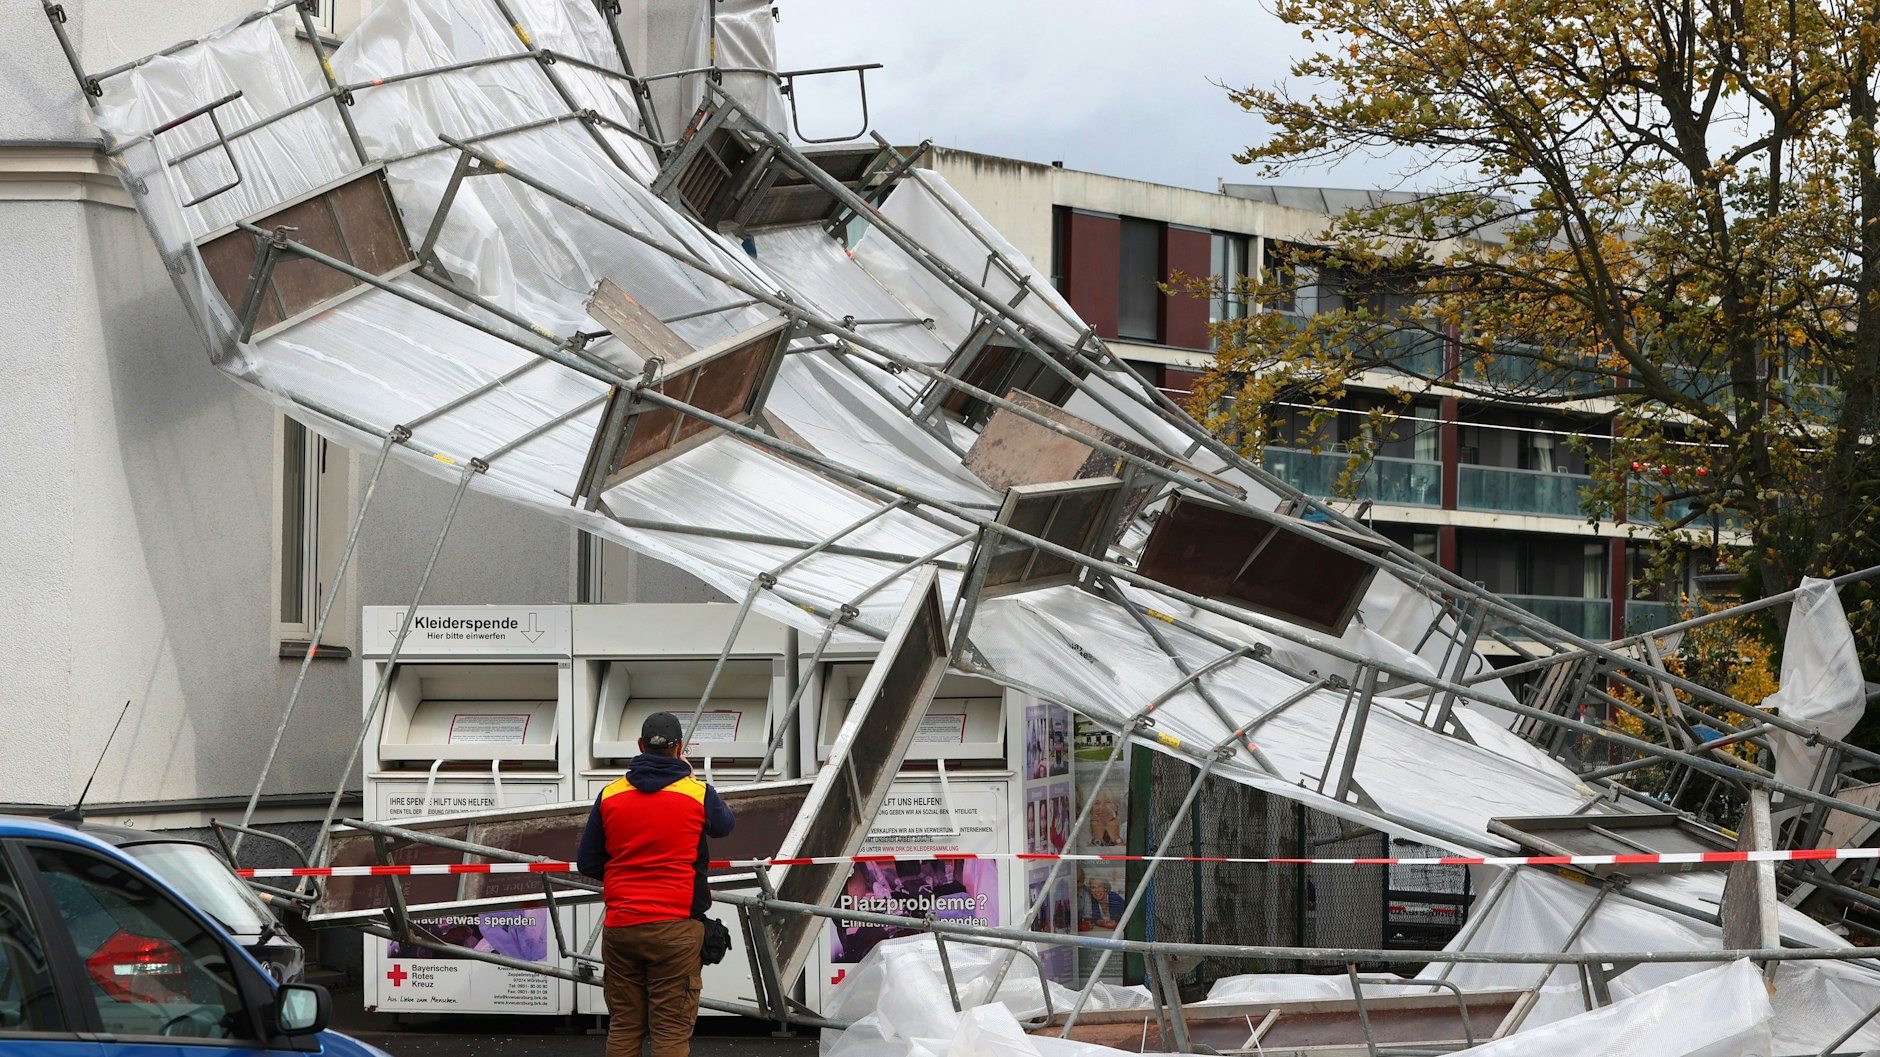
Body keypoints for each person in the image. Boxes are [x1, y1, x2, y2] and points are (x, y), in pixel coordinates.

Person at [578, 712, 734, 1057]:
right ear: (680, 747)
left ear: (639, 746)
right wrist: (690, 775)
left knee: (624, 1026)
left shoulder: (610, 795)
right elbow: (724, 825)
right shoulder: (697, 793)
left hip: (622, 927)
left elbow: (587, 862)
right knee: (670, 1033)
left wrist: (628, 879)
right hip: (675, 930)